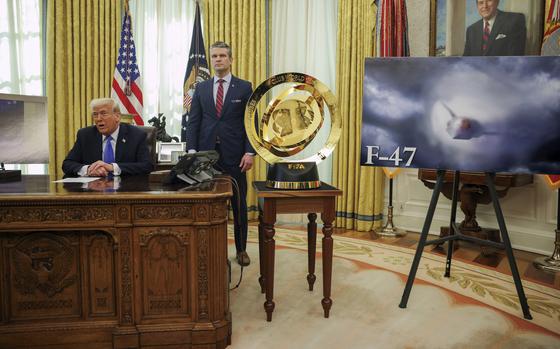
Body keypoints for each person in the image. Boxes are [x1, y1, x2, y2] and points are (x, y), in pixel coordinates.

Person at [186, 41, 255, 267]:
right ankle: (211, 250)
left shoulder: (244, 87)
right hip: (205, 157)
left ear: (231, 59)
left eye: (222, 56)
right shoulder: (201, 88)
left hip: (235, 156)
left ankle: (242, 249)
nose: (217, 60)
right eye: (214, 56)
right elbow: (194, 122)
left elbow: (250, 123)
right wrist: (192, 152)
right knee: (208, 204)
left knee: (238, 203)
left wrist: (250, 152)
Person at [62, 98, 153, 177]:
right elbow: (67, 164)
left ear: (117, 116)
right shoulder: (85, 135)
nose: (98, 119)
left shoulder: (136, 135)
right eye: (95, 114)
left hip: (125, 190)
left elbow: (146, 166)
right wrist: (88, 169)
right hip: (93, 191)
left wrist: (112, 167)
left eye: (103, 113)